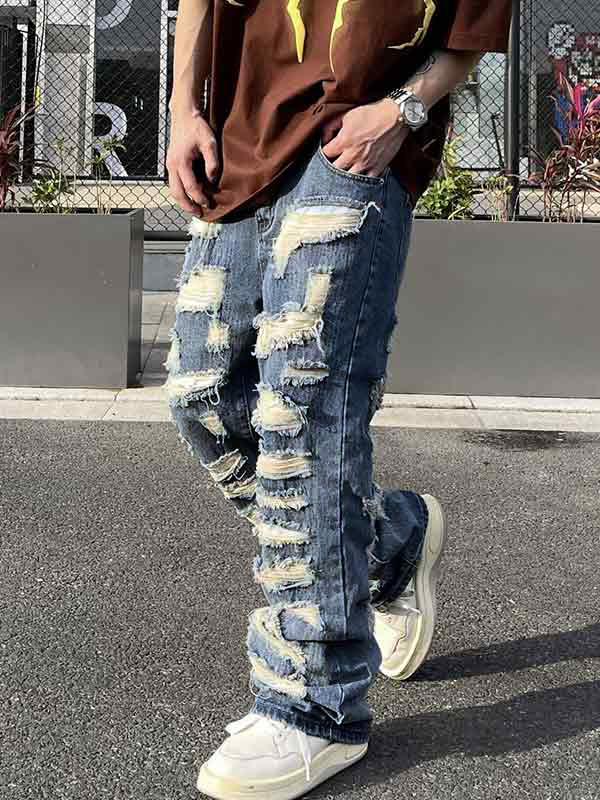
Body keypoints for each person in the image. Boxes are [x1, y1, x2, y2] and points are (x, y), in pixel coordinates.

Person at [165, 2, 511, 797]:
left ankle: (315, 705)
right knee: (202, 396)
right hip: (240, 143)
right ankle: (389, 546)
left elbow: (477, 19)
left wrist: (405, 109)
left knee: (304, 405)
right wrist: (184, 110)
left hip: (354, 140)